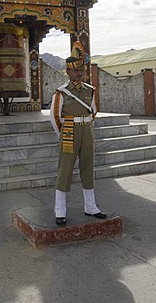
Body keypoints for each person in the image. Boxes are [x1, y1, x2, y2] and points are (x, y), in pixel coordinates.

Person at [50, 41, 107, 225]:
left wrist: (86, 126)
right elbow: (55, 116)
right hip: (69, 131)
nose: (80, 73)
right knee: (65, 169)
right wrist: (64, 133)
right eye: (76, 71)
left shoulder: (89, 91)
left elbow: (93, 111)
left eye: (81, 70)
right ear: (68, 71)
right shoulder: (62, 92)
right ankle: (60, 210)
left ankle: (90, 207)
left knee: (88, 167)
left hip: (87, 130)